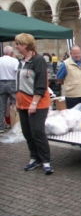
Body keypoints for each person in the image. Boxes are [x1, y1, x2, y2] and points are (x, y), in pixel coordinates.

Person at [14, 33, 53, 174]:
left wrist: (34, 103)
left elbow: (41, 84)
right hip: (22, 103)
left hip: (37, 103)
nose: (16, 46)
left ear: (25, 45)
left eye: (18, 44)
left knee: (37, 131)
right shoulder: (21, 61)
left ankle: (46, 161)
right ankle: (34, 158)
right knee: (27, 132)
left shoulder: (38, 60)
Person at [0, 46, 19, 133]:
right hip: (12, 82)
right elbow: (17, 72)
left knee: (1, 106)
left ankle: (1, 127)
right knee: (16, 104)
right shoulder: (14, 60)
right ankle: (18, 124)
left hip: (1, 83)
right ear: (11, 53)